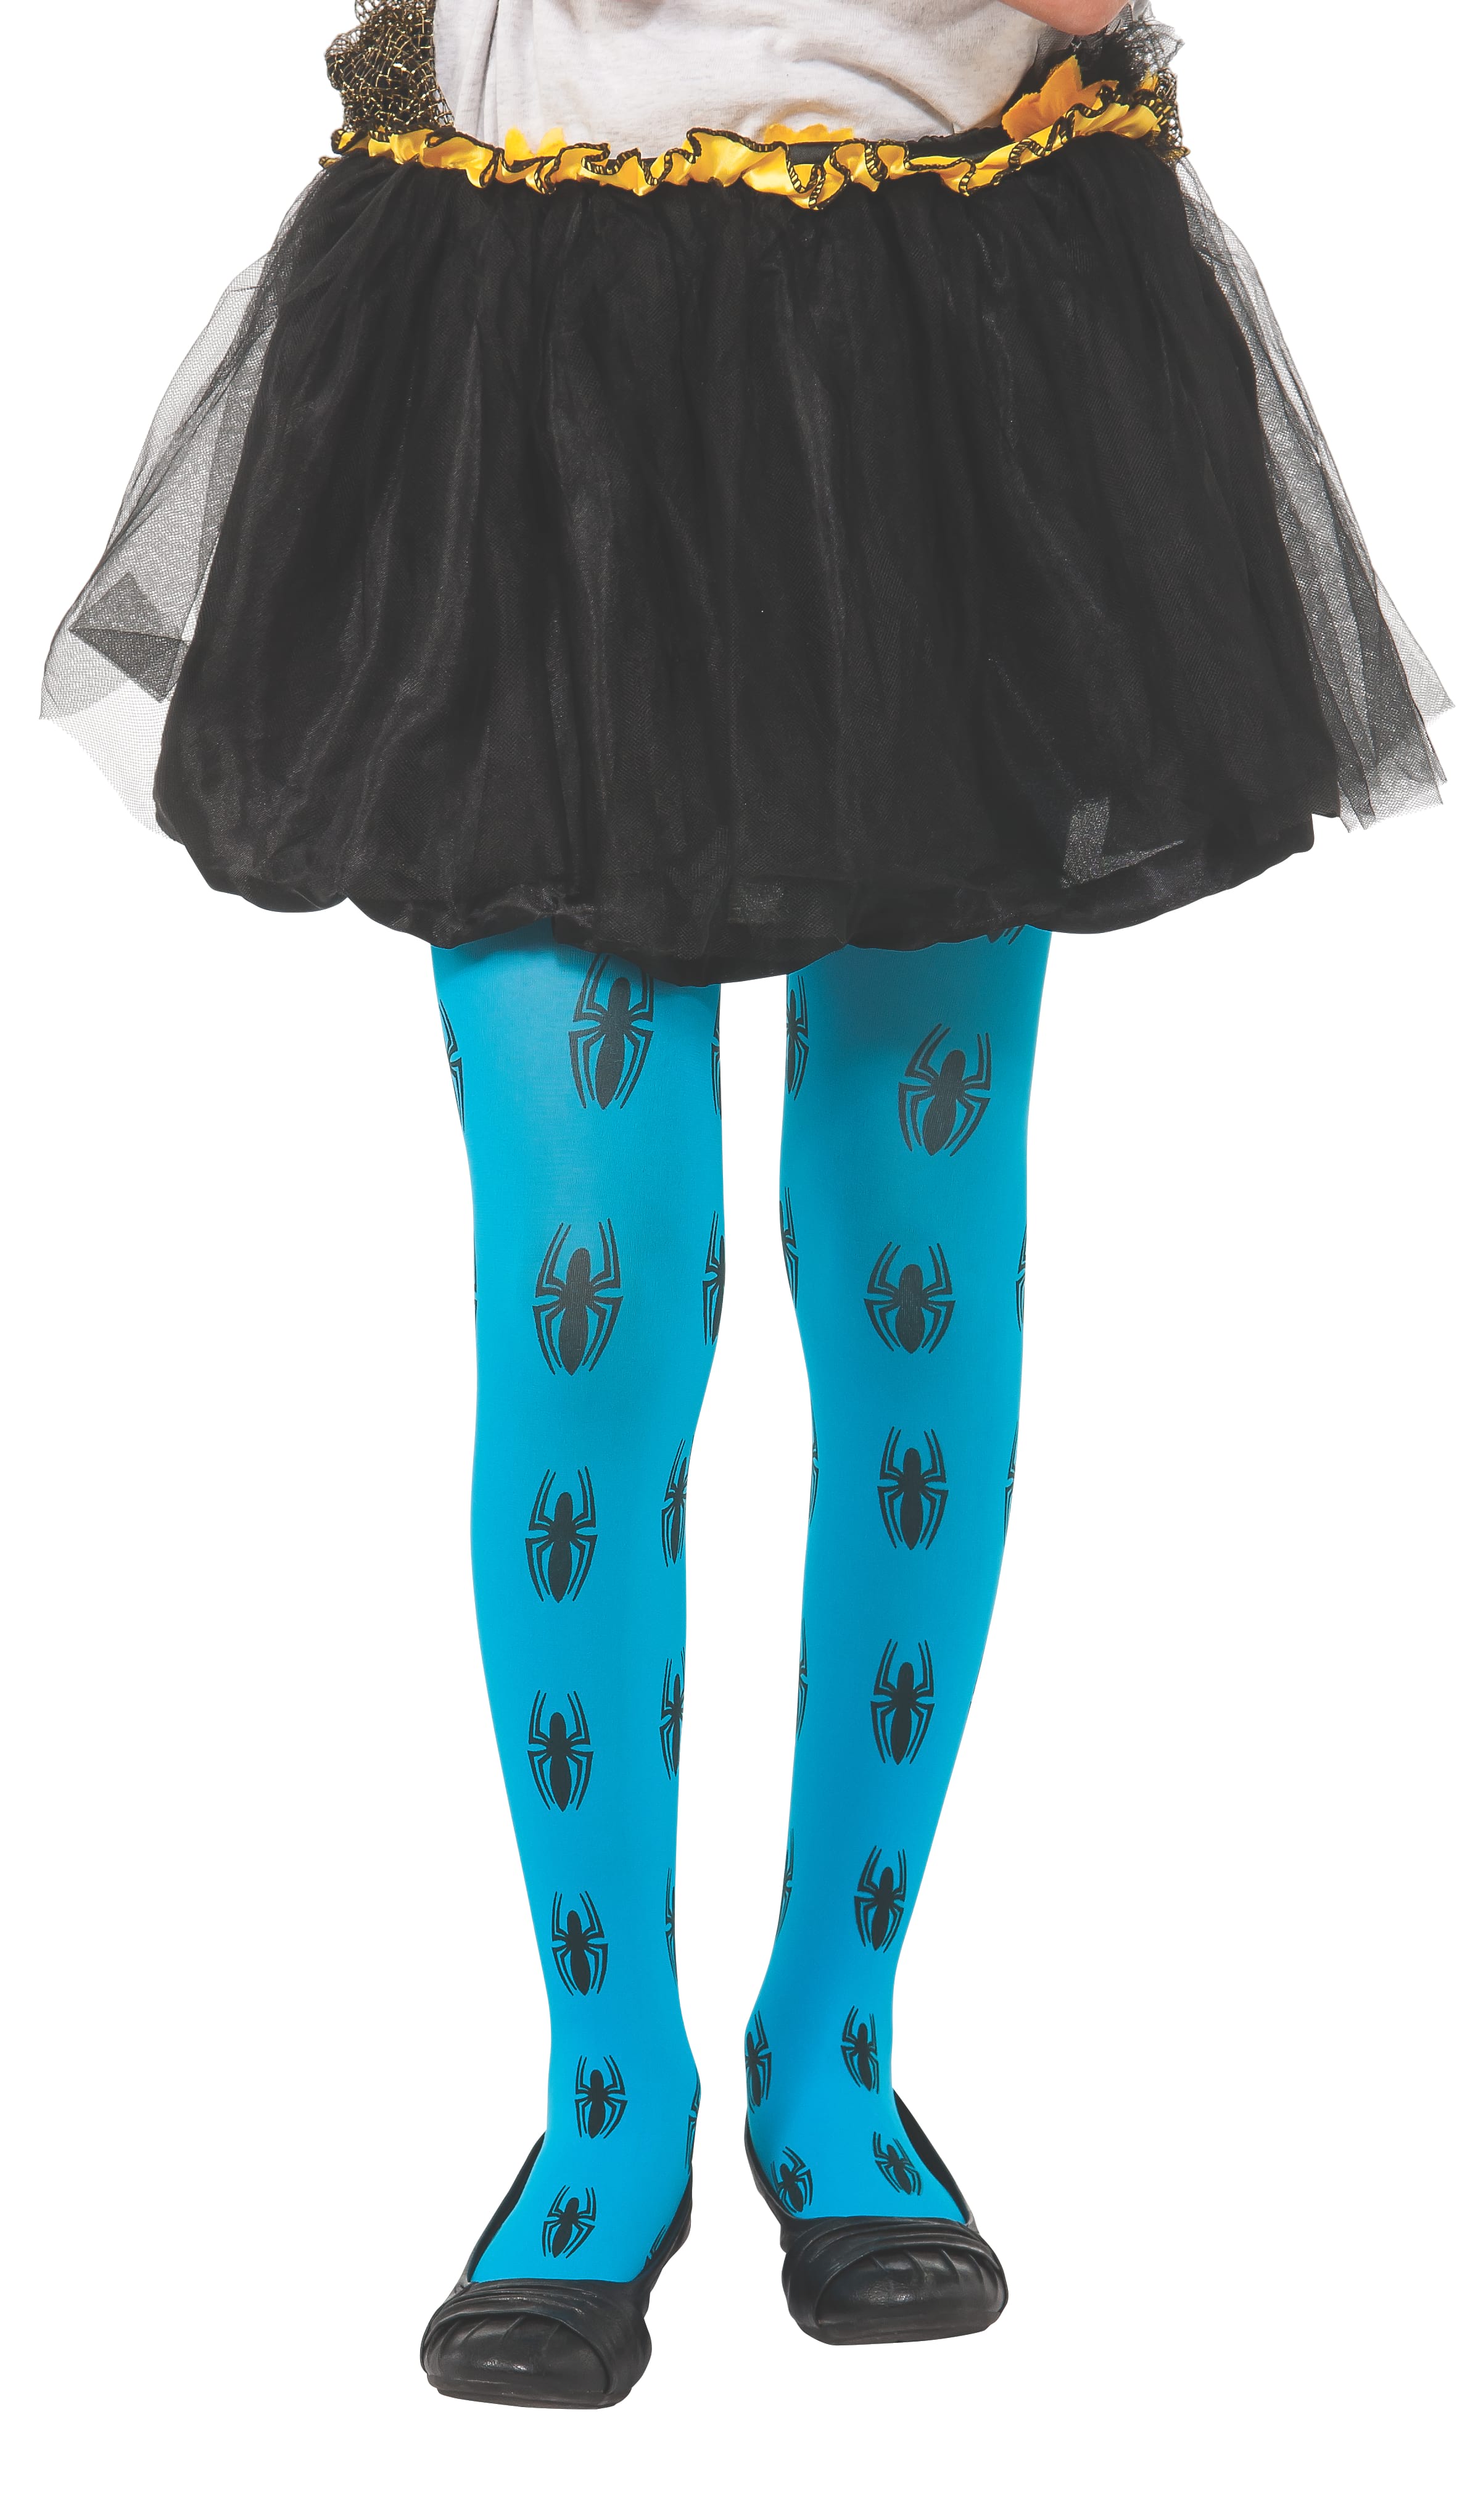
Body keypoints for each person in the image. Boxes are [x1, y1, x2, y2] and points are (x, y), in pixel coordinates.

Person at [41, 0, 1447, 2408]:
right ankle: (610, 2090)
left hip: (939, 328)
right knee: (585, 1292)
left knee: (910, 1266)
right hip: (530, 331)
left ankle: (835, 2039)